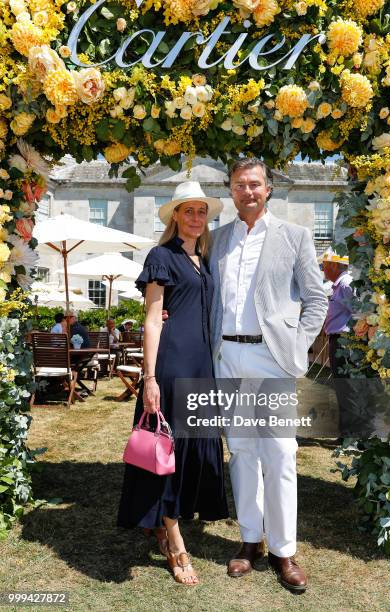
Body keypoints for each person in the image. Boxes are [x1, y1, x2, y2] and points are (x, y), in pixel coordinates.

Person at [209, 158, 328, 593]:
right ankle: (248, 541)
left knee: (279, 453)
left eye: (255, 184)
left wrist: (297, 346)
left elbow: (316, 298)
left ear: (269, 188)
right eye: (240, 185)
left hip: (271, 358)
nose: (248, 191)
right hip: (229, 359)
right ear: (231, 190)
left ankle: (284, 549)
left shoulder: (294, 237)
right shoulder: (217, 239)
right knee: (241, 451)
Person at [117, 181, 228, 585]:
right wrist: (149, 377)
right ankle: (176, 542)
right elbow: (152, 317)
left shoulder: (205, 258)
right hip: (171, 365)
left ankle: (167, 522)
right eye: (189, 211)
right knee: (170, 450)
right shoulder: (161, 256)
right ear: (175, 216)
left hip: (202, 366)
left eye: (202, 211)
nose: (196, 218)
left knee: (195, 450)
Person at [321, 250, 356, 436]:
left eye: (324, 265)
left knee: (347, 387)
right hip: (339, 340)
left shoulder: (346, 284)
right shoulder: (339, 285)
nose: (323, 270)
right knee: (343, 387)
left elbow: (359, 312)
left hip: (345, 341)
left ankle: (351, 435)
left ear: (334, 265)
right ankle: (347, 433)